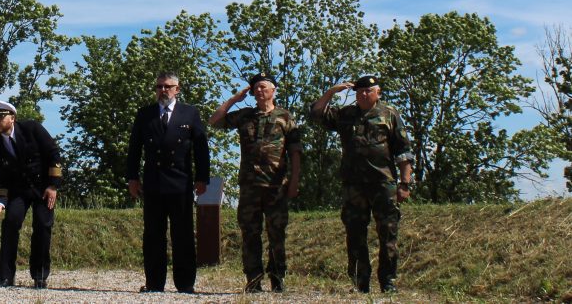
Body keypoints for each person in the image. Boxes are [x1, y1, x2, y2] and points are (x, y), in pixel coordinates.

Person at [310, 75, 414, 294]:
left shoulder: (389, 114)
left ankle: (388, 281)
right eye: (359, 91)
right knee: (355, 233)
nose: (363, 95)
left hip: (383, 184)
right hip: (353, 185)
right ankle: (360, 282)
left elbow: (403, 150)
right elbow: (317, 113)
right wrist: (331, 91)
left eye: (368, 91)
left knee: (388, 232)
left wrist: (405, 183)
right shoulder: (346, 114)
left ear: (378, 93)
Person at [209, 72, 301, 293]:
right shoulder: (245, 116)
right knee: (250, 234)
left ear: (273, 90)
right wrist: (233, 100)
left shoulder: (285, 117)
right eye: (256, 88)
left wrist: (294, 182)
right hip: (250, 187)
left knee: (276, 234)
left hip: (276, 187)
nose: (259, 91)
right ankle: (253, 280)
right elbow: (214, 122)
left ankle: (278, 279)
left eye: (263, 87)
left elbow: (296, 153)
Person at [126, 71, 210, 294]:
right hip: (153, 183)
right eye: (159, 86)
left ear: (177, 89)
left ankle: (185, 283)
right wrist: (132, 178)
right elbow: (134, 148)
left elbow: (201, 148)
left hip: (181, 183)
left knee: (182, 234)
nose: (163, 90)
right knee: (153, 234)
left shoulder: (190, 113)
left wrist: (203, 178)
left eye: (168, 86)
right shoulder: (145, 114)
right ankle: (154, 283)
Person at [0, 100, 63, 289]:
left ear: (12, 118)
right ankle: (5, 277)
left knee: (42, 226)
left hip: (43, 188)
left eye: (0, 117)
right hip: (19, 191)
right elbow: (2, 180)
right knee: (10, 224)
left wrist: (53, 186)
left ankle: (40, 275)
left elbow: (54, 154)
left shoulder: (32, 129)